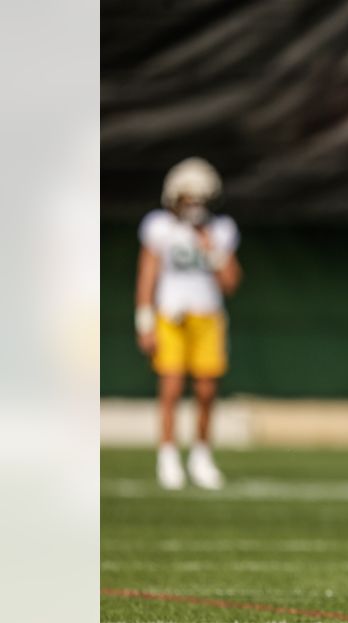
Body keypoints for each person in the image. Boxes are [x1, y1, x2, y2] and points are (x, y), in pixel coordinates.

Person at [135, 157, 242, 490]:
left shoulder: (220, 231)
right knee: (171, 385)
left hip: (207, 315)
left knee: (207, 389)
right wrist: (144, 321)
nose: (194, 207)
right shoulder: (160, 228)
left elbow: (231, 283)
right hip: (171, 315)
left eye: (200, 199)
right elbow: (147, 275)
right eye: (188, 199)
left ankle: (201, 456)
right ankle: (167, 456)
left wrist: (213, 250)